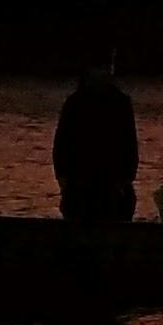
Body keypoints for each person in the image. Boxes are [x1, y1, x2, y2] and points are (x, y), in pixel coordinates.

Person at [53, 64, 138, 225]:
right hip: (80, 187)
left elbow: (130, 150)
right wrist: (66, 182)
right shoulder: (74, 103)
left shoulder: (120, 103)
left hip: (112, 188)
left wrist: (123, 182)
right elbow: (61, 148)